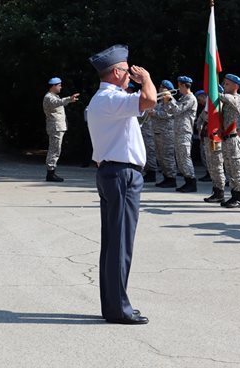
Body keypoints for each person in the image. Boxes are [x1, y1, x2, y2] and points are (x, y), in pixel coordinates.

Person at [86, 44, 156, 324]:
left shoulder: (107, 99)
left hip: (114, 173)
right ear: (116, 72)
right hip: (121, 175)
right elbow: (148, 100)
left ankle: (115, 305)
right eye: (127, 71)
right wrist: (147, 78)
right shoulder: (110, 99)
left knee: (114, 242)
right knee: (120, 243)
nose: (131, 75)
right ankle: (118, 309)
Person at [42, 77, 79, 182]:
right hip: (55, 127)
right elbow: (57, 103)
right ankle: (50, 173)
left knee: (55, 149)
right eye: (59, 85)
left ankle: (51, 172)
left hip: (57, 127)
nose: (61, 87)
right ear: (53, 86)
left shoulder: (54, 96)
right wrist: (69, 99)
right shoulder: (49, 97)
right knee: (54, 150)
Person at [165, 76, 197, 192]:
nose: (178, 88)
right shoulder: (183, 98)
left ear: (184, 85)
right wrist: (167, 101)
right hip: (178, 131)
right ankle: (187, 180)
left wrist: (170, 99)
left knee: (184, 157)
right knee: (179, 157)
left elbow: (177, 110)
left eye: (179, 85)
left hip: (185, 131)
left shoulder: (190, 98)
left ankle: (191, 181)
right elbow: (171, 111)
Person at [218, 74, 240, 208]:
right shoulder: (226, 99)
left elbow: (223, 97)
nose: (224, 86)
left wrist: (213, 89)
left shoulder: (238, 98)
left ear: (236, 86)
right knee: (229, 168)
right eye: (224, 83)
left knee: (236, 168)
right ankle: (234, 195)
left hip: (234, 139)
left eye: (227, 84)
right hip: (226, 138)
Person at [151, 80, 177, 188]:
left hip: (167, 133)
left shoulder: (169, 100)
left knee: (167, 156)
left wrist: (154, 113)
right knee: (160, 157)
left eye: (162, 87)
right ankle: (166, 177)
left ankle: (171, 178)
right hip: (159, 132)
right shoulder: (161, 101)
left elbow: (169, 114)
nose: (159, 89)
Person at [195, 90, 212, 182]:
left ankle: (211, 174)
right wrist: (199, 130)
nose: (199, 101)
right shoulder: (205, 109)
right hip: (204, 134)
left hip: (212, 136)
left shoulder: (212, 107)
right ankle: (208, 172)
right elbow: (200, 120)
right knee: (204, 155)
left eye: (199, 99)